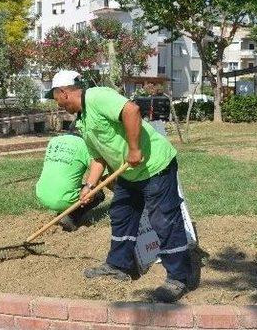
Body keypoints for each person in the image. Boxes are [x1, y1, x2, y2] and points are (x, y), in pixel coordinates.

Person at [46, 70, 196, 303]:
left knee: (164, 220)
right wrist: (89, 185)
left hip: (155, 166)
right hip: (129, 173)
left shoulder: (97, 97)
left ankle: (179, 277)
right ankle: (119, 266)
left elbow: (132, 110)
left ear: (63, 93)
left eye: (56, 98)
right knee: (121, 214)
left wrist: (135, 149)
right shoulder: (83, 121)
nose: (58, 105)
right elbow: (99, 157)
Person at [35, 133, 106, 231]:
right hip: (62, 199)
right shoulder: (84, 145)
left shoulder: (54, 141)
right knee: (98, 193)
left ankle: (60, 209)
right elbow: (102, 175)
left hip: (41, 193)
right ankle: (71, 216)